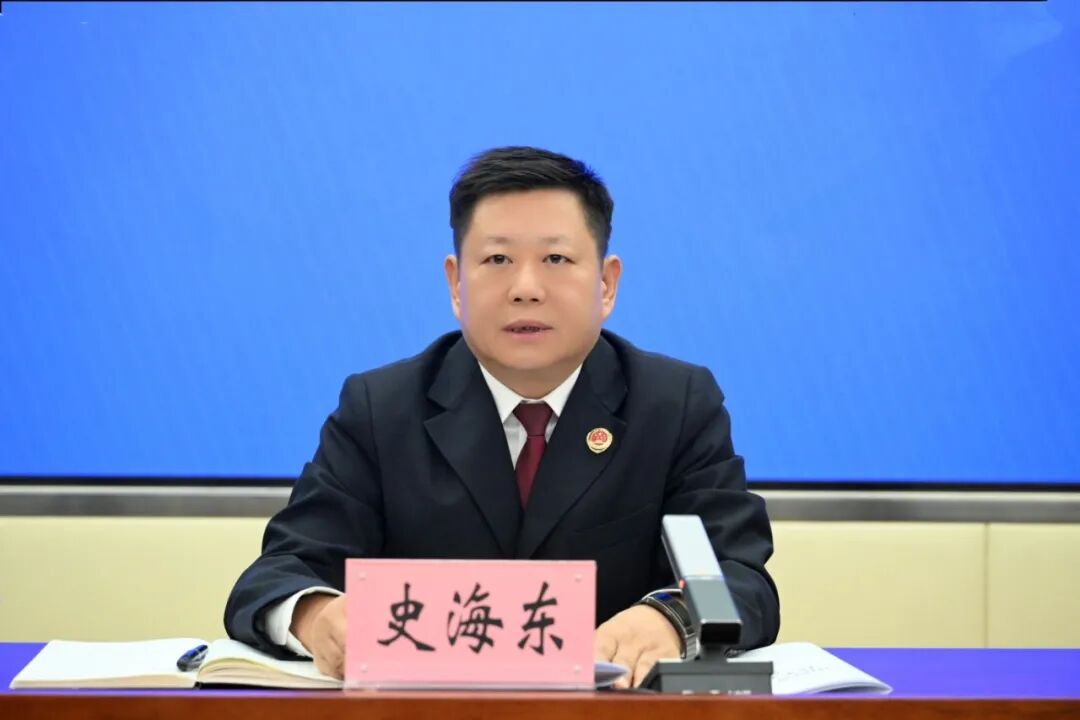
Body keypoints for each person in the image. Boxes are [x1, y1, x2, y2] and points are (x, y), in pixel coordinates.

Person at [224, 146, 780, 688]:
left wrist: (672, 619)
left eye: (556, 260)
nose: (525, 289)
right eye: (497, 260)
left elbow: (738, 576)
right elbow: (278, 574)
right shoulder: (381, 408)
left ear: (606, 284)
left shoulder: (674, 404)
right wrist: (317, 617)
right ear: (455, 284)